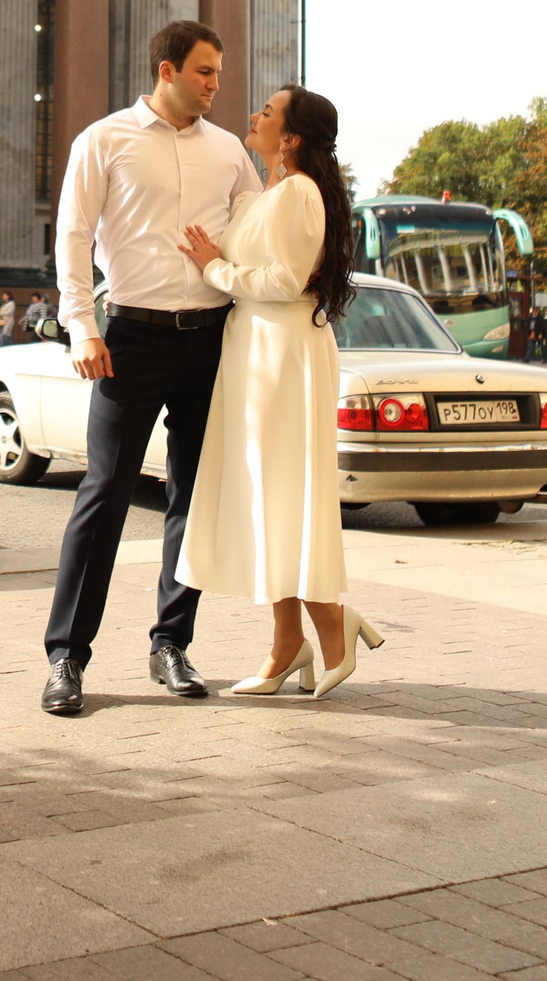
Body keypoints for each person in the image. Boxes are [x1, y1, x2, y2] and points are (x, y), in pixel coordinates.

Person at [40, 20, 262, 717]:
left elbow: (256, 228)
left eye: (219, 73)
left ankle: (172, 643)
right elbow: (73, 234)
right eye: (204, 71)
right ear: (166, 70)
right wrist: (81, 324)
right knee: (102, 493)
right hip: (130, 337)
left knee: (192, 499)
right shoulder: (102, 140)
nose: (215, 84)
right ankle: (67, 657)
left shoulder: (229, 152)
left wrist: (223, 258)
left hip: (210, 339)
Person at [178, 85, 379, 699]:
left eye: (267, 112)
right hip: (261, 351)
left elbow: (288, 279)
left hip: (282, 354)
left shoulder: (298, 193)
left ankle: (325, 627)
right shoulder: (275, 192)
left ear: (290, 138)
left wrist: (216, 268)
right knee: (272, 497)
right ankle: (290, 641)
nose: (254, 116)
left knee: (285, 495)